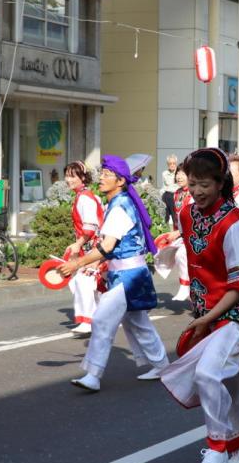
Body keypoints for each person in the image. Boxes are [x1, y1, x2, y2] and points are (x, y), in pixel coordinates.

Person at [161, 148, 239, 463]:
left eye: (204, 184)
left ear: (221, 183)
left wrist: (206, 318)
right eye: (192, 183)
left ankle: (218, 447)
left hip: (237, 313)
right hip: (208, 311)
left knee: (208, 374)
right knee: (232, 388)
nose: (196, 191)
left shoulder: (234, 223)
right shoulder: (187, 213)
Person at [58, 155, 169, 393]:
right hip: (128, 272)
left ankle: (93, 375)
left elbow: (107, 246)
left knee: (101, 320)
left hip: (128, 276)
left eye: (107, 175)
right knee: (138, 323)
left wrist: (77, 263)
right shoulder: (120, 202)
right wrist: (93, 264)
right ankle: (162, 366)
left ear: (120, 181)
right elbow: (111, 247)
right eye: (102, 173)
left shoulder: (119, 207)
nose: (101, 178)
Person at [65, 162, 105, 334]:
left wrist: (78, 244)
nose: (68, 179)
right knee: (86, 282)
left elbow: (90, 227)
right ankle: (99, 317)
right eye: (67, 175)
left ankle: (89, 320)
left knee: (83, 281)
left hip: (94, 248)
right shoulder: (85, 196)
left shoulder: (84, 198)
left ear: (83, 177)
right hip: (93, 246)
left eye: (73, 176)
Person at [153, 166, 193, 303]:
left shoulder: (195, 193)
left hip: (194, 234)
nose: (179, 177)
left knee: (181, 254)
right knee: (161, 251)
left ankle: (185, 286)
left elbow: (194, 218)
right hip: (182, 233)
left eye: (183, 174)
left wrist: (179, 232)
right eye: (178, 174)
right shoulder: (177, 193)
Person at [160, 154, 179, 226]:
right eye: (170, 163)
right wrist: (161, 195)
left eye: (174, 163)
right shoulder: (164, 173)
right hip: (166, 195)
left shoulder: (178, 173)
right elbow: (164, 186)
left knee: (175, 216)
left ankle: (176, 228)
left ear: (176, 164)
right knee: (165, 215)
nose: (172, 165)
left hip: (175, 195)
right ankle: (165, 228)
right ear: (167, 164)